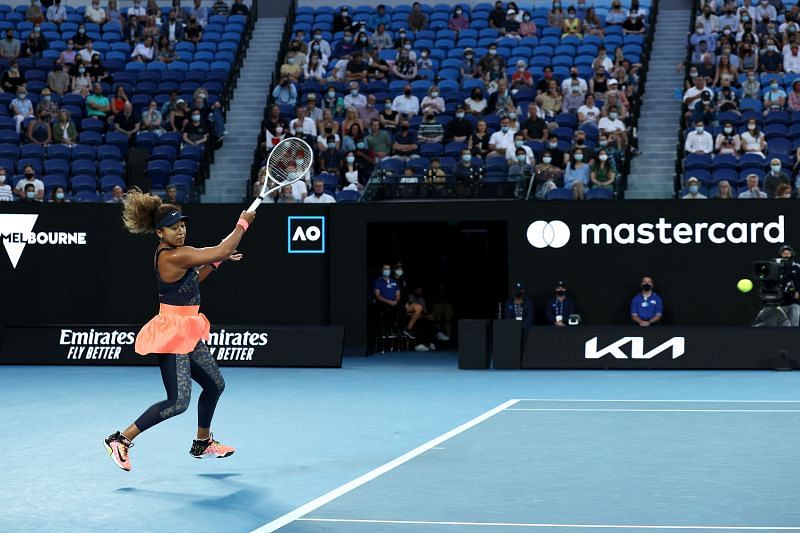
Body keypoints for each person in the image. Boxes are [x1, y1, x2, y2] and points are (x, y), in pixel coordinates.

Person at [103, 190, 256, 471]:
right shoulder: (173, 256)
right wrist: (243, 223)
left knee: (214, 384)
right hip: (171, 334)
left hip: (188, 329)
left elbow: (196, 277)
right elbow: (219, 249)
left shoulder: (181, 255)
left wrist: (217, 260)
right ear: (160, 233)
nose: (181, 230)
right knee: (177, 402)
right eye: (174, 227)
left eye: (183, 225)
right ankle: (120, 439)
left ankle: (202, 443)